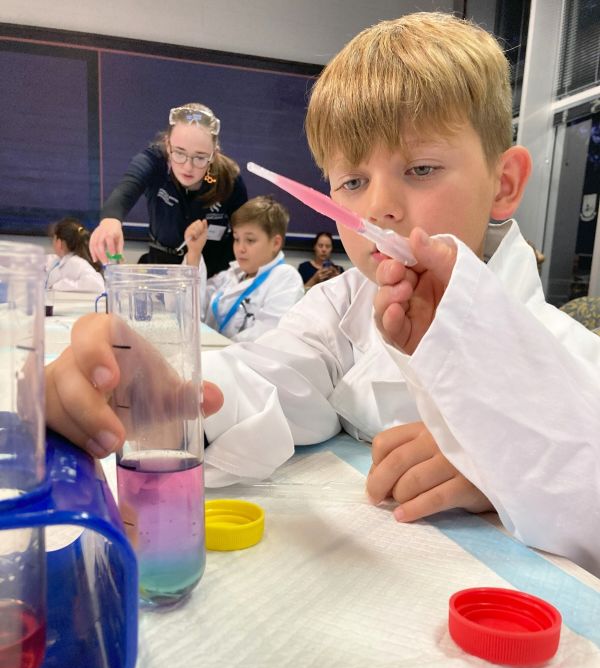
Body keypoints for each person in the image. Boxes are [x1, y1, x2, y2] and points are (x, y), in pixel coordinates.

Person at [45, 13, 600, 575]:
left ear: (503, 184)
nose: (377, 209)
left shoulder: (569, 357)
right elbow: (262, 382)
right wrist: (150, 389)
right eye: (352, 182)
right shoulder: (341, 307)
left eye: (421, 168)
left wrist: (502, 461)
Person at [89, 103, 248, 278]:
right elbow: (126, 189)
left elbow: (247, 229)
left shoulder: (228, 178)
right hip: (162, 268)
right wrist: (110, 221)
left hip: (216, 274)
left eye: (200, 157)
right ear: (167, 144)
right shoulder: (154, 162)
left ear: (213, 154)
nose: (188, 167)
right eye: (179, 153)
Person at [187, 196, 304, 342]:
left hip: (240, 357)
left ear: (275, 243)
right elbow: (191, 309)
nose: (240, 248)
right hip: (212, 353)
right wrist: (194, 252)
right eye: (236, 239)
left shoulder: (286, 279)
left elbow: (266, 338)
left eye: (250, 240)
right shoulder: (230, 275)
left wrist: (217, 348)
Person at [45, 218, 105, 293]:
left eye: (53, 239)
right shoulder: (59, 260)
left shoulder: (76, 262)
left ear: (59, 242)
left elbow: (97, 285)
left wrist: (58, 286)